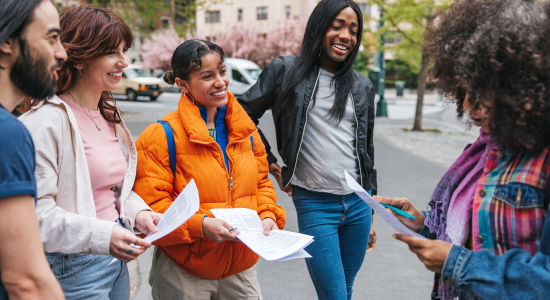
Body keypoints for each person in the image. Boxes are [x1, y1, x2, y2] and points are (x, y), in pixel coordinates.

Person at [374, 0, 550, 299]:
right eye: (464, 89)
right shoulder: (486, 150)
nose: (467, 104)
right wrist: (423, 222)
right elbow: (473, 232)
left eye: (480, 91)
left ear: (520, 89)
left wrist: (457, 264)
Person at [18, 6, 162, 300]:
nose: (123, 61)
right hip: (73, 266)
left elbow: (110, 190)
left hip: (115, 258)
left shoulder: (109, 114)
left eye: (125, 50)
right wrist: (103, 236)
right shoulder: (44, 121)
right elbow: (35, 216)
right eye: (111, 52)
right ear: (79, 58)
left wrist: (140, 213)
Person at [237, 0, 376, 298]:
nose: (345, 36)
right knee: (335, 294)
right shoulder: (285, 71)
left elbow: (366, 151)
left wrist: (372, 210)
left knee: (346, 289)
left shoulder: (362, 86)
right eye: (337, 25)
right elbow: (241, 114)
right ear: (319, 27)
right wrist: (272, 164)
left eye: (353, 30)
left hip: (359, 204)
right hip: (315, 202)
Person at [133, 39, 286, 300]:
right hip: (184, 270)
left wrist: (268, 215)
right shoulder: (160, 136)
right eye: (207, 76)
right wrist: (201, 226)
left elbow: (261, 185)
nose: (220, 82)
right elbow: (152, 206)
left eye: (222, 71)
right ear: (182, 84)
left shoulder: (247, 131)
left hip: (240, 267)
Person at [0, 0, 66, 299]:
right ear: (7, 42)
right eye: (52, 38)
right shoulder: (8, 134)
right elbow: (26, 281)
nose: (61, 53)